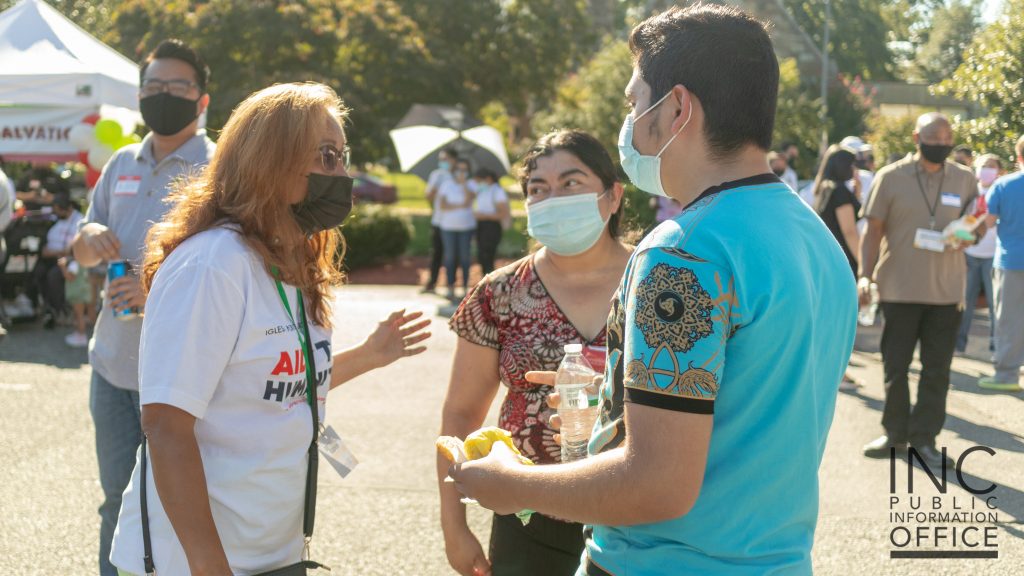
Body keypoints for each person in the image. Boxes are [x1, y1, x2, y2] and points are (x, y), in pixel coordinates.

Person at [450, 5, 857, 574]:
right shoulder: (814, 237)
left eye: (635, 100)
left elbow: (657, 485)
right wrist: (622, 385)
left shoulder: (683, 251)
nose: (631, 119)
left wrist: (515, 484)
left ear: (678, 108)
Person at [109, 82, 432, 576]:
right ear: (269, 161)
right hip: (197, 563)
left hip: (273, 554)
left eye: (342, 157)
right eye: (325, 156)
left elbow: (278, 386)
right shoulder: (213, 266)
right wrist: (209, 566)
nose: (341, 175)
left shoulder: (290, 261)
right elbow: (166, 427)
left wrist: (369, 354)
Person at [439, 129, 631, 576]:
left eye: (571, 184)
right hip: (526, 514)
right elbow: (460, 416)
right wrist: (454, 525)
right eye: (538, 188)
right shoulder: (499, 292)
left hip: (635, 515)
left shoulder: (656, 282)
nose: (553, 197)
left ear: (614, 196)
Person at [70, 39, 217, 576]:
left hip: (181, 377)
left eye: (177, 88)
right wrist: (88, 235)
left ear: (202, 100)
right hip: (112, 365)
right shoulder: (120, 162)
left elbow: (234, 270)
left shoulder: (218, 168)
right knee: (117, 499)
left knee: (185, 503)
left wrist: (155, 291)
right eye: (153, 87)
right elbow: (82, 249)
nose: (164, 96)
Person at [859, 112, 981, 467]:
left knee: (937, 371)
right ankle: (894, 434)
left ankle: (925, 439)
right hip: (898, 288)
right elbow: (873, 230)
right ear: (917, 138)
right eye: (934, 138)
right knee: (895, 366)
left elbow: (979, 223)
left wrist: (972, 234)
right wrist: (865, 275)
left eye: (947, 140)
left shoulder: (964, 179)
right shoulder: (890, 177)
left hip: (946, 292)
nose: (941, 145)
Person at [813, 144, 862, 390]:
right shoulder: (840, 192)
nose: (855, 169)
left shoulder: (823, 189)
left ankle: (833, 370)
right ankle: (838, 373)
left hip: (827, 260)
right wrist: (865, 264)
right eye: (852, 164)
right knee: (841, 320)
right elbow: (850, 231)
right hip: (844, 261)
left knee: (829, 317)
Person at [979, 135, 1024, 392]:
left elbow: (986, 223)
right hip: (1011, 259)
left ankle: (1007, 375)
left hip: (1011, 260)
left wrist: (957, 236)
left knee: (1008, 319)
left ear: (1018, 157)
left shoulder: (1003, 186)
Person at [956, 153, 1003, 354]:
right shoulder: (970, 193)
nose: (986, 170)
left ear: (1000, 171)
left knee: (995, 305)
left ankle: (996, 346)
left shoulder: (1002, 191)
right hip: (970, 253)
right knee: (965, 301)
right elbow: (960, 222)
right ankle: (958, 345)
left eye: (991, 166)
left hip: (994, 256)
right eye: (983, 166)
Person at [35, 193, 83, 328]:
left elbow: (72, 249)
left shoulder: (79, 221)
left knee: (54, 276)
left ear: (67, 209)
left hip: (71, 259)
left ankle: (60, 309)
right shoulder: (56, 220)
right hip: (51, 257)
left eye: (58, 210)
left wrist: (54, 253)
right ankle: (46, 307)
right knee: (38, 272)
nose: (56, 213)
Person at [438, 158, 477, 300]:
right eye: (459, 169)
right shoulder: (446, 184)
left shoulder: (471, 184)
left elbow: (469, 201)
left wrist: (464, 185)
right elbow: (442, 205)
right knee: (450, 257)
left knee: (465, 256)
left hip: (466, 227)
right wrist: (459, 206)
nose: (462, 173)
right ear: (454, 171)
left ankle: (465, 286)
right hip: (448, 227)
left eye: (464, 170)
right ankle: (450, 286)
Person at [423, 148, 457, 293]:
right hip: (438, 220)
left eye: (446, 159)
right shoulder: (436, 175)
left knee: (452, 254)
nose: (442, 162)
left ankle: (451, 284)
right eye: (441, 159)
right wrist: (435, 187)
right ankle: (432, 282)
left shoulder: (458, 175)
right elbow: (428, 197)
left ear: (453, 160)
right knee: (437, 252)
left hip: (454, 222)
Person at [472, 167, 510, 276]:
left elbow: (502, 213)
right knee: (481, 255)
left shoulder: (497, 191)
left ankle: (490, 281)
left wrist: (484, 216)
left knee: (488, 255)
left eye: (479, 181)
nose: (478, 184)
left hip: (492, 227)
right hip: (481, 225)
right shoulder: (482, 191)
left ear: (487, 179)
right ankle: (485, 279)